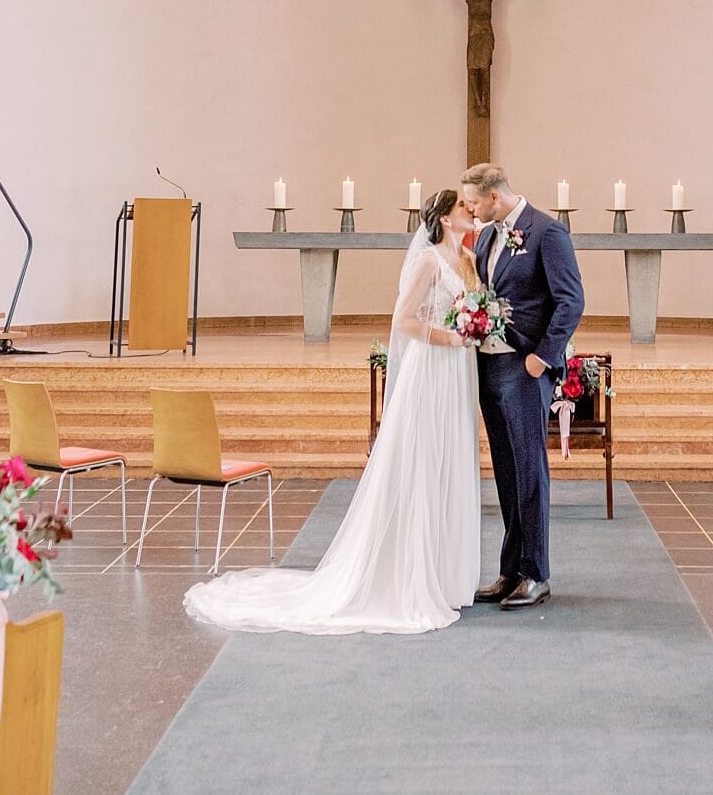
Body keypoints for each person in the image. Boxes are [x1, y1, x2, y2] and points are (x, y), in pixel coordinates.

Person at [183, 189, 480, 635]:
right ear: (442, 218)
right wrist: (449, 339)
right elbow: (404, 321)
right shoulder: (428, 261)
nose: (471, 211)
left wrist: (473, 315)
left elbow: (472, 308)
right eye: (463, 208)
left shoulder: (465, 260)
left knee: (449, 461)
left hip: (457, 370)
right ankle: (410, 574)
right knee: (421, 460)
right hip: (432, 366)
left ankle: (445, 574)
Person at [460, 162, 585, 609]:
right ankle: (510, 569)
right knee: (507, 473)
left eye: (474, 202)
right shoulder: (491, 236)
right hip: (490, 368)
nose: (471, 211)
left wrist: (541, 358)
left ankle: (536, 573)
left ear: (495, 196)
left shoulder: (546, 233)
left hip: (524, 367)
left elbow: (571, 301)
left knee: (530, 472)